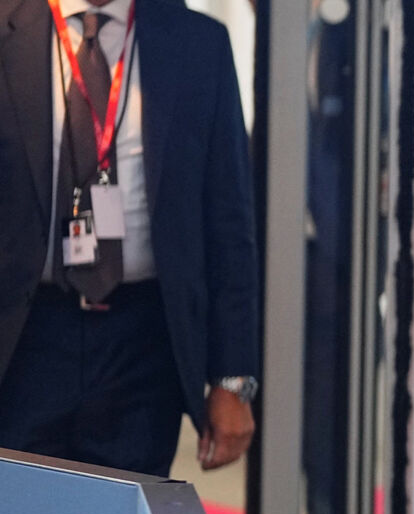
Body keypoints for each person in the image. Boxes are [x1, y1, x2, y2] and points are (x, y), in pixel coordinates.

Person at [0, 0, 258, 477]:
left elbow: (229, 223)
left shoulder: (198, 44)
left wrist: (233, 380)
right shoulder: (8, 28)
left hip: (143, 347)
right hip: (25, 338)